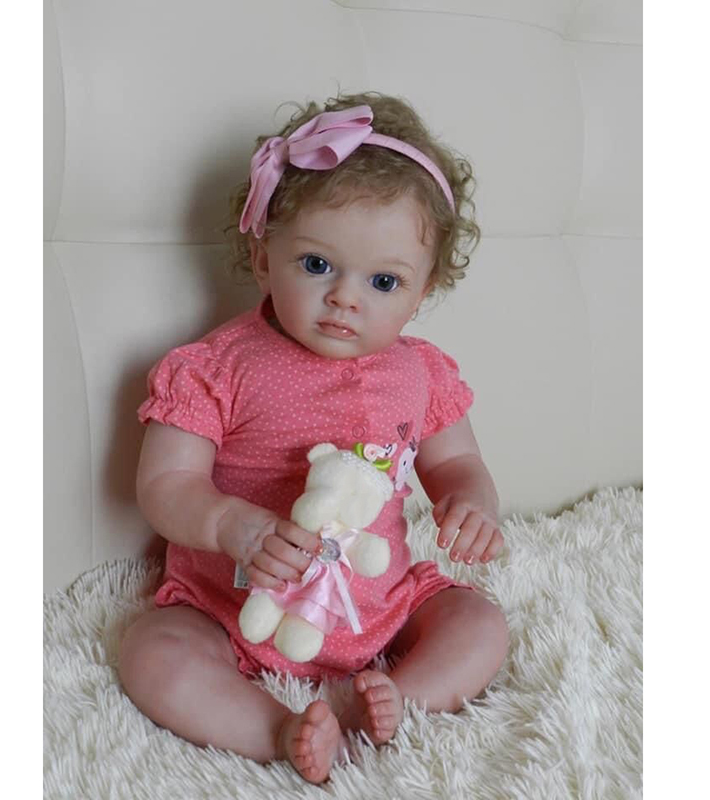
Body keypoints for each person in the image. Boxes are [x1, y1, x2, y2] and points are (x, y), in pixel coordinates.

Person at [119, 92, 509, 784]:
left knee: (480, 624)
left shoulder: (421, 372)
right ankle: (277, 727)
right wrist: (228, 523)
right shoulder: (216, 367)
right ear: (262, 256)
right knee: (152, 652)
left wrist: (472, 503)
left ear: (422, 292)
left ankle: (394, 703)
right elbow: (165, 484)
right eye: (317, 265)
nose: (346, 298)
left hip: (380, 603)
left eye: (384, 281)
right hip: (231, 606)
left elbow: (458, 462)